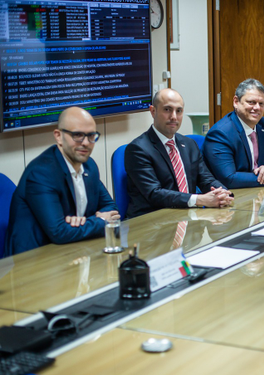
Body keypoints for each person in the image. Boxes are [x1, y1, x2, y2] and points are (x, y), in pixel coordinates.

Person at [4, 107, 118, 256]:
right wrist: (100, 221)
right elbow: (58, 232)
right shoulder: (41, 173)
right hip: (34, 259)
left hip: (73, 250)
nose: (85, 142)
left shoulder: (89, 166)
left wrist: (82, 222)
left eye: (91, 136)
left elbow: (112, 209)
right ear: (58, 136)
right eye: (77, 135)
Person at [125, 88, 233, 218]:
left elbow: (206, 179)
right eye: (167, 109)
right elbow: (154, 194)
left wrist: (223, 193)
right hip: (153, 222)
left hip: (188, 218)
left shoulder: (189, 144)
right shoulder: (138, 149)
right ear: (153, 111)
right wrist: (199, 200)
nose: (174, 117)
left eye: (179, 111)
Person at [203, 79, 264, 188]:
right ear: (236, 102)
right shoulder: (220, 133)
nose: (257, 107)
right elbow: (229, 179)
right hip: (230, 197)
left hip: (259, 193)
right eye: (251, 102)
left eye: (261, 103)